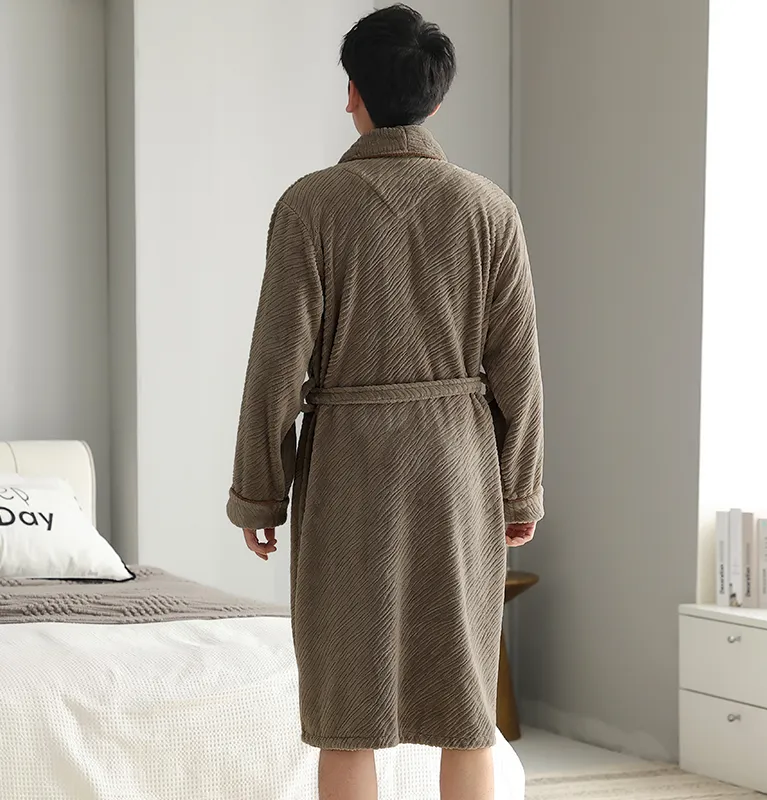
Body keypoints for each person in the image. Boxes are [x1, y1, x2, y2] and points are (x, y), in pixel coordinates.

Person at [226, 5, 544, 799]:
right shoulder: (489, 210)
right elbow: (518, 370)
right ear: (438, 97)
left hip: (349, 472)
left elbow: (276, 365)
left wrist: (259, 492)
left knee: (347, 713)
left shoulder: (311, 206)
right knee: (466, 709)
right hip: (457, 469)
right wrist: (519, 491)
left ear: (352, 94)